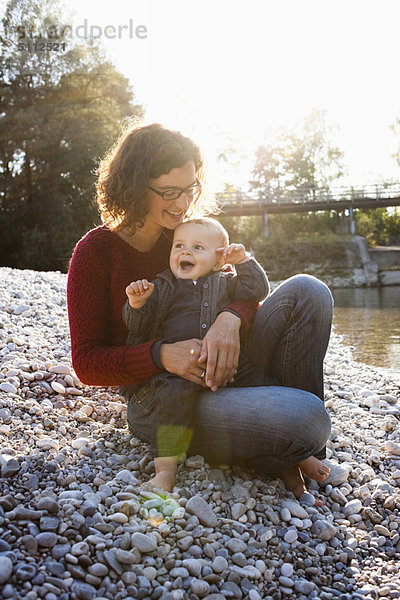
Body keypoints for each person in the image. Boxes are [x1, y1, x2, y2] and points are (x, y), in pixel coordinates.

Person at [67, 121, 332, 501]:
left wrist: (230, 319)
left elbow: (236, 291)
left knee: (309, 291)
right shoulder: (95, 252)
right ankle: (286, 443)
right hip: (163, 397)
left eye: (190, 188)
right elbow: (87, 363)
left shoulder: (189, 236)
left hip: (228, 371)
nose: (182, 203)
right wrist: (160, 355)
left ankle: (295, 447)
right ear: (133, 186)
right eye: (169, 192)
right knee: (307, 418)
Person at [123, 217, 270, 491]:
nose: (185, 252)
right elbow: (138, 327)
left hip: (224, 367)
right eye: (179, 245)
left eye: (197, 247)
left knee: (259, 376)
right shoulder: (162, 287)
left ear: (218, 261)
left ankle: (297, 458)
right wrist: (137, 303)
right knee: (171, 399)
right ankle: (164, 471)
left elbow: (258, 291)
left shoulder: (225, 282)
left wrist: (243, 261)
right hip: (178, 373)